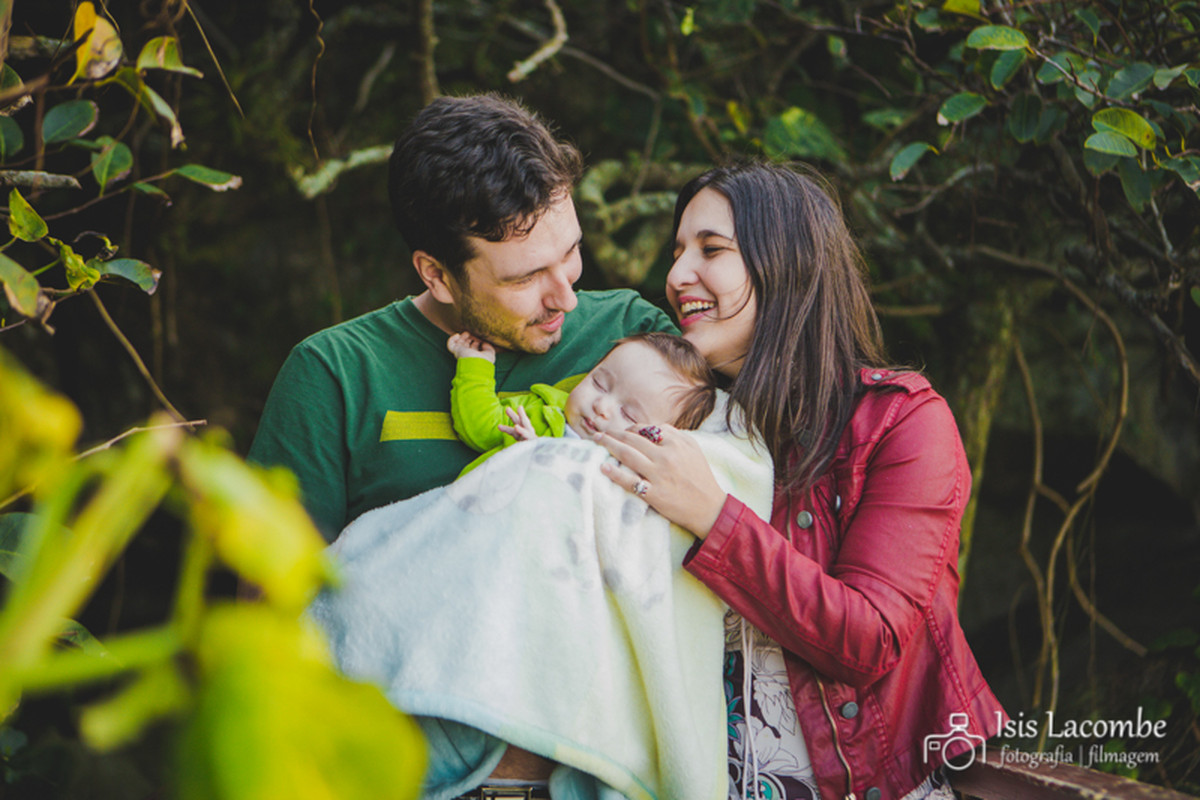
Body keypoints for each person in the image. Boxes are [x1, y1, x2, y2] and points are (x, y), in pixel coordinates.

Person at [247, 93, 676, 797]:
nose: (563, 296)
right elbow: (270, 622)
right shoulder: (335, 375)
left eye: (569, 255)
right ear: (436, 273)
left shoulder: (633, 341)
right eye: (522, 278)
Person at [593, 160, 1008, 800]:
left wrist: (712, 515)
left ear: (787, 267)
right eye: (677, 252)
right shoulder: (693, 428)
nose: (676, 277)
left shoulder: (900, 424)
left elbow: (867, 639)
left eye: (711, 250)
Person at [447, 330, 716, 473]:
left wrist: (540, 458)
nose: (602, 406)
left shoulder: (625, 474)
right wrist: (476, 366)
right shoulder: (540, 413)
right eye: (599, 383)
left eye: (630, 415)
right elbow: (481, 427)